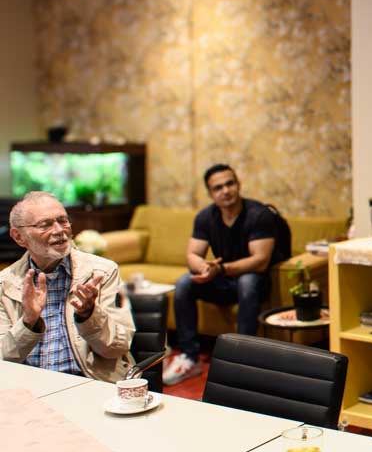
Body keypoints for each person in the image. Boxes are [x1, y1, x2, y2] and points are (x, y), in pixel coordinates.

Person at [162, 164, 290, 385]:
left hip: (256, 281)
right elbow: (192, 254)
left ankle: (241, 358)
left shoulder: (259, 215)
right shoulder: (205, 217)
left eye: (230, 183)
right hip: (223, 281)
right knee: (184, 283)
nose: (226, 190)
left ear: (238, 184)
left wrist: (220, 269)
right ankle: (189, 357)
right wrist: (204, 268)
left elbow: (260, 261)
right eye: (218, 187)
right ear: (211, 193)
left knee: (248, 282)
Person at [0, 191, 135, 381]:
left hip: (91, 382)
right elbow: (3, 359)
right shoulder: (4, 284)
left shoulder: (102, 272)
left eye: (63, 221)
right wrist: (29, 322)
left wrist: (89, 315)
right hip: (30, 387)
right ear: (19, 237)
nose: (59, 230)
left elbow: (117, 348)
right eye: (45, 224)